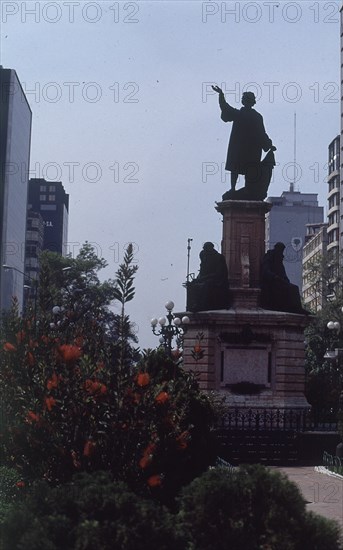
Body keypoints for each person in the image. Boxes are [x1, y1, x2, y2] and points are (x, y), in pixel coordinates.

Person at [212, 86, 276, 193]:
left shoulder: (253, 116)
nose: (246, 101)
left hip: (245, 148)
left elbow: (261, 133)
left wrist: (269, 145)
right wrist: (221, 95)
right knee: (238, 168)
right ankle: (234, 188)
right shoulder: (246, 115)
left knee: (241, 168)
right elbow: (225, 107)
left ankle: (240, 188)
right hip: (244, 148)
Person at [260, 242, 308, 314]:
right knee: (293, 288)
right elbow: (265, 271)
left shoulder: (279, 258)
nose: (282, 252)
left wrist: (285, 280)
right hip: (271, 282)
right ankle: (295, 308)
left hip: (279, 281)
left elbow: (283, 273)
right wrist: (274, 277)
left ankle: (296, 308)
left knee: (294, 288)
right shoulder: (269, 257)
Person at [186, 242, 230, 312]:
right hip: (206, 279)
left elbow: (218, 274)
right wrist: (196, 280)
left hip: (218, 280)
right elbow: (202, 272)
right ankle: (193, 305)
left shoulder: (219, 257)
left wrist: (201, 279)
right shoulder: (205, 257)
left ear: (210, 249)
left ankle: (201, 305)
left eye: (206, 249)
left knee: (206, 285)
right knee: (192, 284)